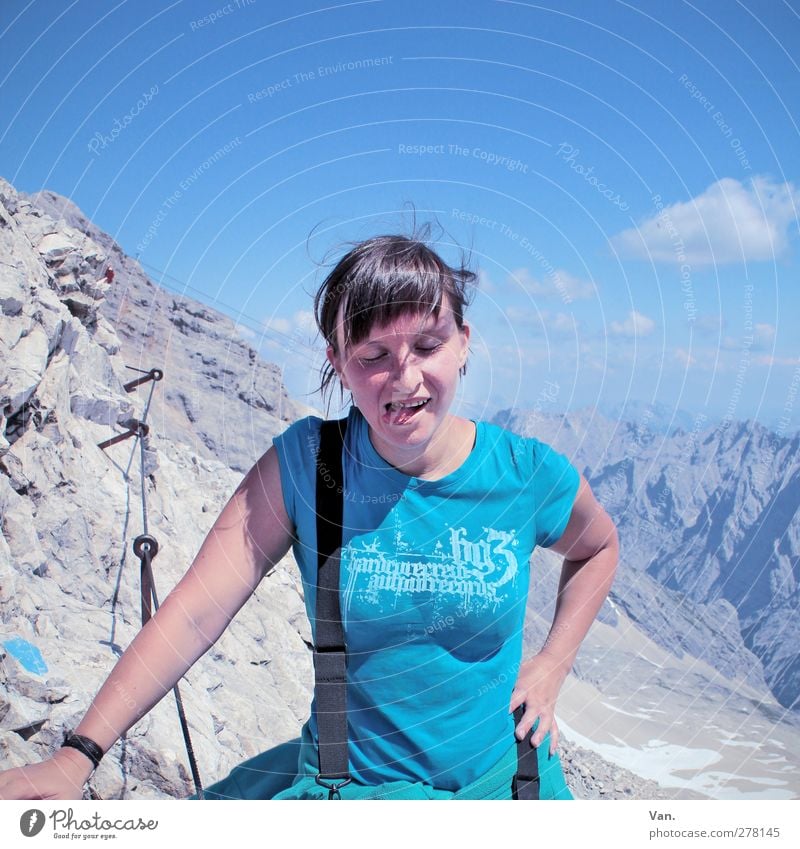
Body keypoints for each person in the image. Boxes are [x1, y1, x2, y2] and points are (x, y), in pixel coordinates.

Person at [0, 232, 618, 801]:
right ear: (338, 360)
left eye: (428, 346)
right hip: (351, 797)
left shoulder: (526, 474)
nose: (404, 378)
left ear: (463, 343)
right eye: (373, 354)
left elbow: (597, 547)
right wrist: (77, 757)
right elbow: (193, 614)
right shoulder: (306, 467)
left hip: (504, 788)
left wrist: (553, 662)